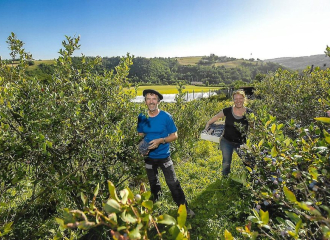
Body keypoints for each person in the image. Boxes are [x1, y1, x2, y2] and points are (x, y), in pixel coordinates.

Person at [137, 89, 195, 217]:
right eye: (148, 98)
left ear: (158, 101)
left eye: (154, 99)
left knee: (173, 183)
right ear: (145, 101)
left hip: (164, 157)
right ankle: (156, 208)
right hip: (149, 157)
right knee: (153, 183)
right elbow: (141, 135)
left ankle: (184, 209)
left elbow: (174, 135)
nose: (151, 101)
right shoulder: (142, 116)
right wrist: (142, 147)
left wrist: (160, 141)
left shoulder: (166, 117)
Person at [204, 89, 253, 176]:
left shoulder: (249, 113)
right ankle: (225, 179)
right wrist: (208, 123)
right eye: (235, 99)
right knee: (226, 162)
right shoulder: (227, 110)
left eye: (240, 98)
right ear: (233, 100)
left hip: (241, 142)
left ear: (244, 99)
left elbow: (253, 127)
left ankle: (252, 178)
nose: (238, 101)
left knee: (247, 162)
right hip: (227, 141)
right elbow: (217, 117)